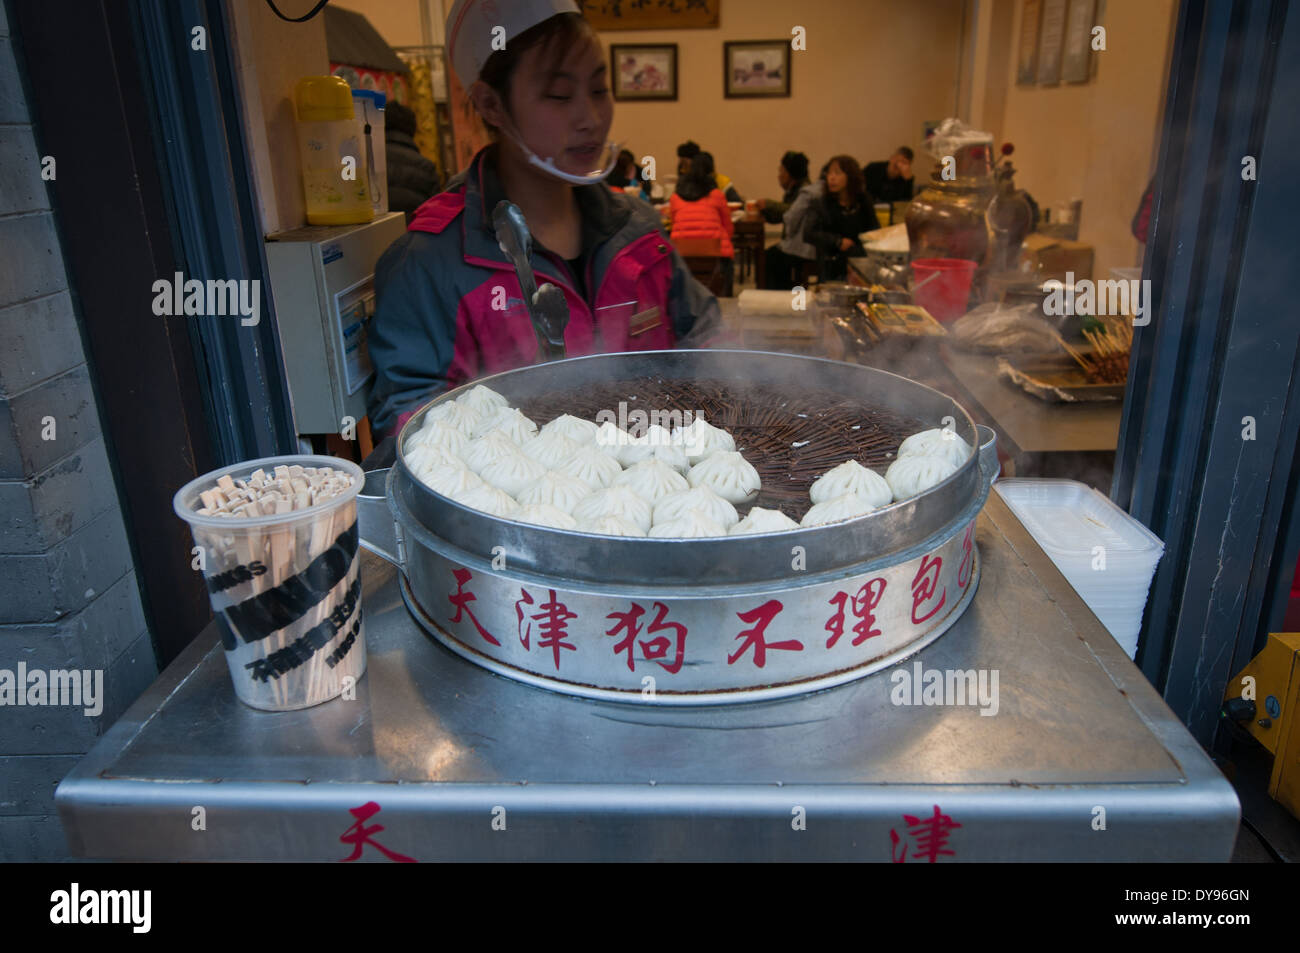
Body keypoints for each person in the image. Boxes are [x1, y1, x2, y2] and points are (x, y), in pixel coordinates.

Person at [366, 0, 724, 439]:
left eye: (599, 89)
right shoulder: (430, 263)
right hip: (516, 502)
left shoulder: (639, 231)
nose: (591, 119)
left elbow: (704, 337)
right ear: (492, 104)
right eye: (559, 95)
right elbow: (412, 421)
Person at [803, 155, 879, 281]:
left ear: (850, 176)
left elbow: (874, 231)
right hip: (831, 260)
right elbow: (808, 233)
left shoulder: (864, 201)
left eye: (837, 173)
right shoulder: (821, 202)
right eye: (829, 173)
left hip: (859, 258)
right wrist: (837, 241)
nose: (831, 178)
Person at [669, 153, 735, 290]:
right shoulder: (717, 195)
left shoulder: (675, 198)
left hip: (682, 257)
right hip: (715, 256)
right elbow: (728, 229)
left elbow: (672, 224)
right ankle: (726, 297)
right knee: (727, 262)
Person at [384, 101, 442, 221]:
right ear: (412, 129)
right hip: (415, 236)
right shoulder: (426, 167)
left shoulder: (366, 164)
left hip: (375, 237)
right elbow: (436, 216)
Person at [676, 140, 742, 203]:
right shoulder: (683, 184)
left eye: (685, 165)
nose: (682, 169)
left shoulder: (721, 182)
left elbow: (737, 202)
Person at [761, 150, 810, 224]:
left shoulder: (806, 191)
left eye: (781, 171)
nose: (779, 176)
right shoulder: (792, 190)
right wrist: (763, 212)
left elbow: (795, 210)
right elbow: (781, 216)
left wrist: (769, 204)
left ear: (790, 174)